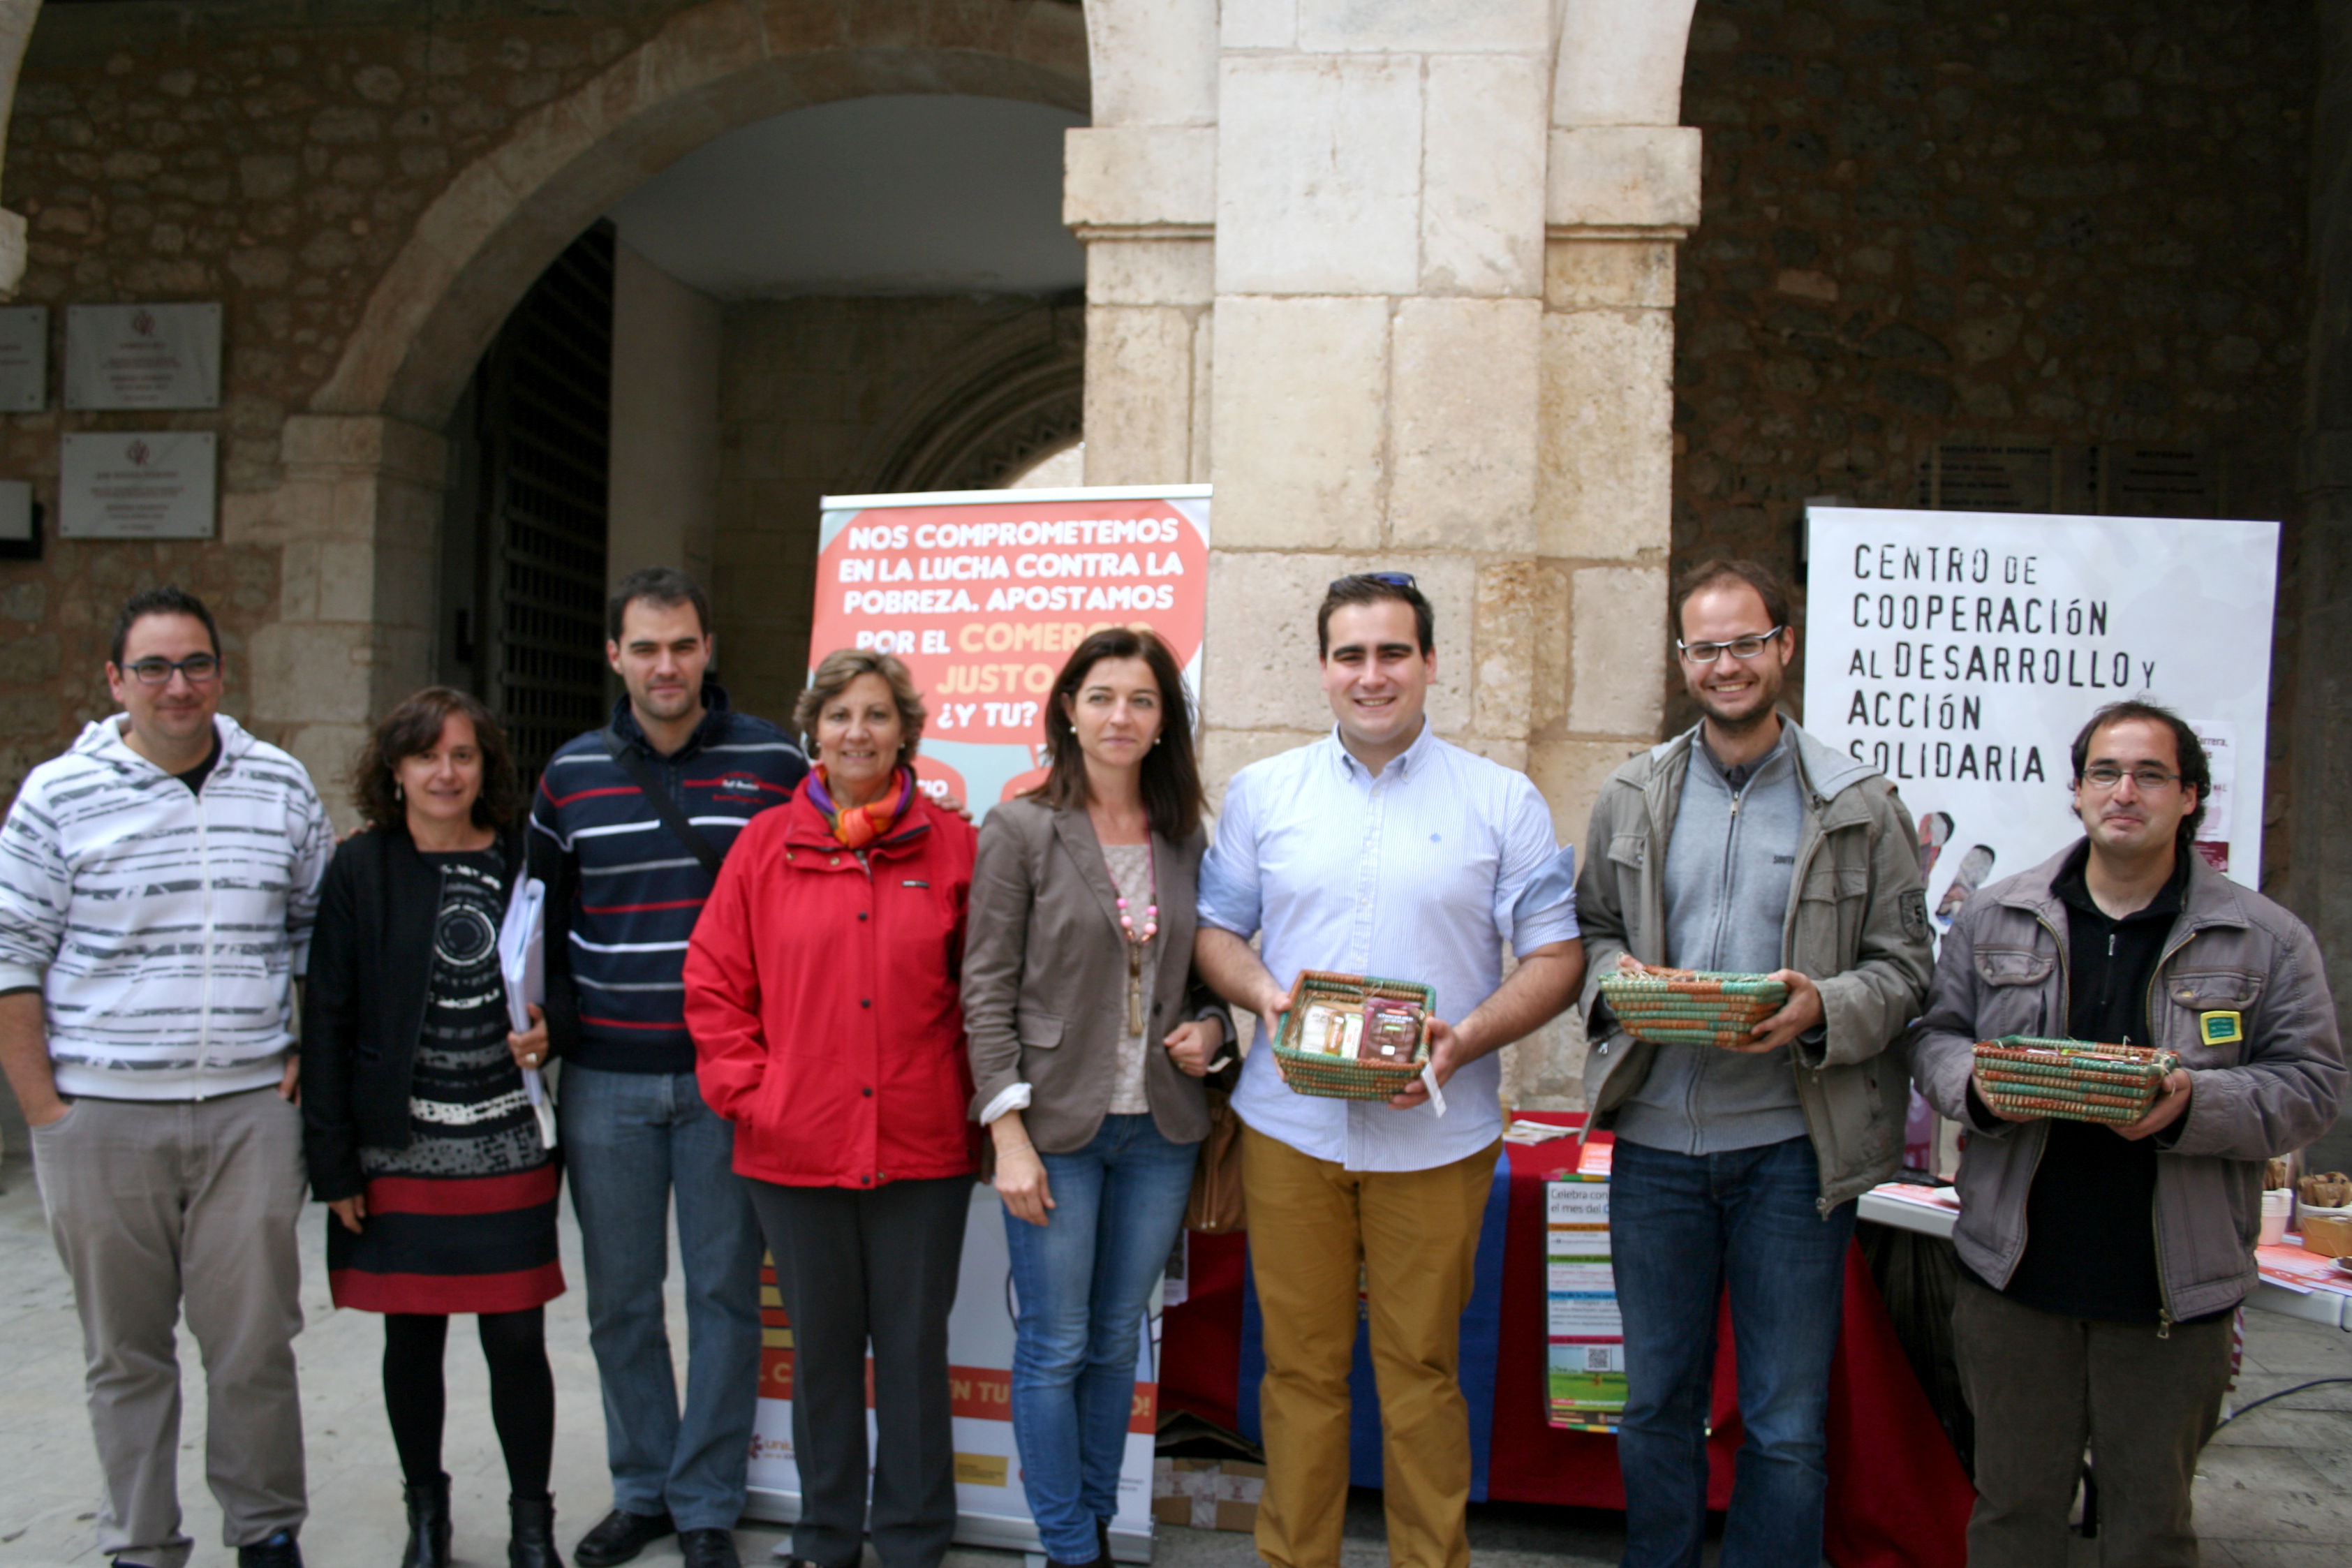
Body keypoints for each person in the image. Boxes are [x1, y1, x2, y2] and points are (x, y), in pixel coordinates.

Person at [1192, 573, 1585, 1568]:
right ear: (1324, 669)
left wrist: (1464, 1039)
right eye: (1351, 655)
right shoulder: (1263, 792)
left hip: (1436, 1136)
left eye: (1393, 653)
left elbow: (1555, 957)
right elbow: (1214, 933)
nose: (1372, 676)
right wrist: (1269, 998)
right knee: (1300, 1372)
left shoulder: (1502, 800)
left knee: (1419, 1371)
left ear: (1431, 663)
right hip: (1290, 1129)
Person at [1912, 700, 2344, 1568]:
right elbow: (1933, 1037)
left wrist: (2190, 1107)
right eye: (2106, 772)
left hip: (2169, 1293)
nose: (2125, 791)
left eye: (2151, 774)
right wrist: (1980, 1089)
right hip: (2015, 1279)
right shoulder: (1999, 914)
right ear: (2076, 792)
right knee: (2010, 1517)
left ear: (2192, 798)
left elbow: (2313, 1087)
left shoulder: (2265, 938)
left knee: (2150, 1527)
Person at [1574, 558, 1932, 1568]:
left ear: (1784, 646)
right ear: (1681, 657)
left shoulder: (1858, 803)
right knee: (1654, 1402)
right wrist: (1623, 982)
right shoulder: (1633, 792)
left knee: (1783, 1419)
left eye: (1744, 642)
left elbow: (1908, 968)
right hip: (1655, 1148)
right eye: (1703, 646)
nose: (1724, 664)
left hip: (1792, 1150)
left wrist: (1825, 1006)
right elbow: (1592, 927)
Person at [0, 586, 332, 1568]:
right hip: (100, 1116)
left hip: (246, 1114)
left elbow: (319, 934)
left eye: (194, 664)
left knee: (254, 1344)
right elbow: (12, 951)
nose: (175, 684)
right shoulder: (58, 796)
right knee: (125, 1352)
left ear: (222, 674)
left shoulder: (278, 785)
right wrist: (45, 1111)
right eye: (152, 667)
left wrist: (306, 1050)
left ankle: (266, 1528)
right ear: (115, 681)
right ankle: (141, 1541)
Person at [528, 567, 807, 1568]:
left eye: (682, 644)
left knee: (728, 1297)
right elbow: (545, 926)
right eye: (645, 647)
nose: (665, 665)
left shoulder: (778, 761)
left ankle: (705, 1503)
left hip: (729, 1083)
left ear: (709, 648)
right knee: (621, 1299)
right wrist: (547, 1027)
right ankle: (642, 1484)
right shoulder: (569, 776)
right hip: (604, 1079)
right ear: (615, 657)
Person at [684, 649, 979, 1568]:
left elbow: (989, 992)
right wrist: (751, 1093)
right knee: (818, 1355)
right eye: (842, 714)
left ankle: (912, 1538)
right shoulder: (763, 846)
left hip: (922, 1146)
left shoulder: (956, 846)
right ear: (813, 729)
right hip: (793, 1147)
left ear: (906, 732)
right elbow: (714, 982)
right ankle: (823, 1536)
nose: (859, 731)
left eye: (879, 714)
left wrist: (980, 1106)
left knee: (911, 1354)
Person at [963, 628, 1235, 1568]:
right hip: (1055, 1130)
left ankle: (1086, 1527)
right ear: (1069, 709)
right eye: (1104, 695)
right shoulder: (1022, 827)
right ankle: (1070, 1544)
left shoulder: (1183, 836)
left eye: (1144, 699)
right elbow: (985, 990)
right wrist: (1008, 1137)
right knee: (1055, 1344)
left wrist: (1215, 1032)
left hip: (1159, 1128)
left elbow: (1207, 980)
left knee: (1118, 1339)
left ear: (1165, 722)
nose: (1122, 715)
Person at [301, 688, 567, 1568]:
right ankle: (429, 1518)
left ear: (486, 765)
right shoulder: (361, 867)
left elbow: (568, 972)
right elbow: (329, 1014)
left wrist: (551, 1023)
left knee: (517, 1338)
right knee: (411, 1334)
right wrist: (333, 1164)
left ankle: (534, 1526)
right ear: (396, 769)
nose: (445, 772)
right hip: (399, 1145)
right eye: (426, 755)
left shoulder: (528, 856)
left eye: (463, 754)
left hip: (507, 1137)